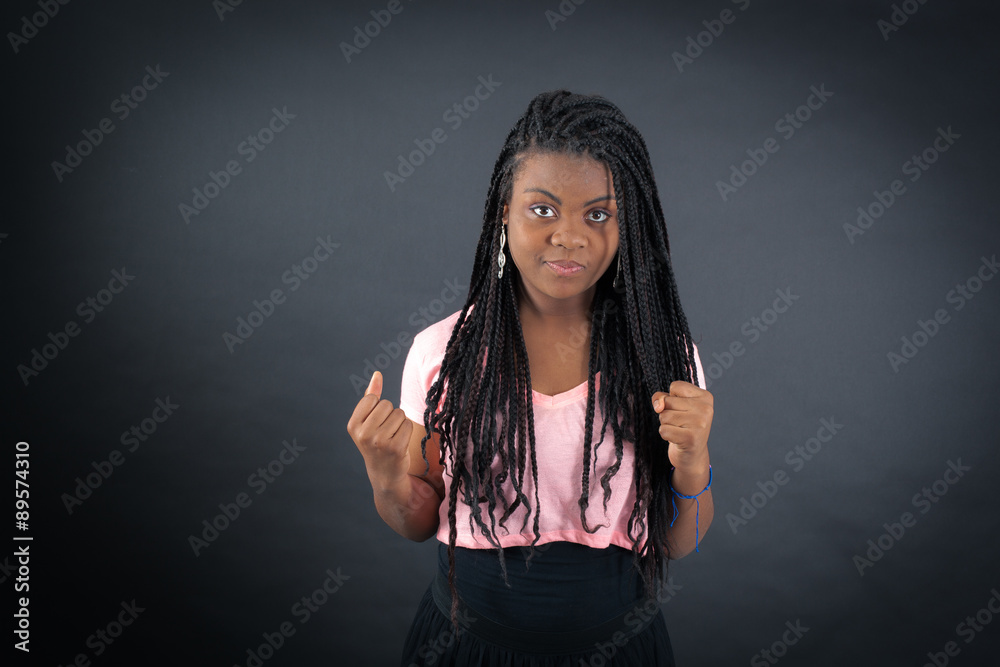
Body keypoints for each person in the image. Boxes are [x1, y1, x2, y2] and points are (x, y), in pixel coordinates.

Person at [347, 90, 715, 666]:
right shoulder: (442, 354)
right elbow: (419, 523)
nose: (569, 236)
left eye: (598, 214)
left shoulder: (663, 357)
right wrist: (385, 474)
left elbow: (678, 543)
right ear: (503, 212)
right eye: (543, 210)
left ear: (627, 226)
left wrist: (693, 461)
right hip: (466, 647)